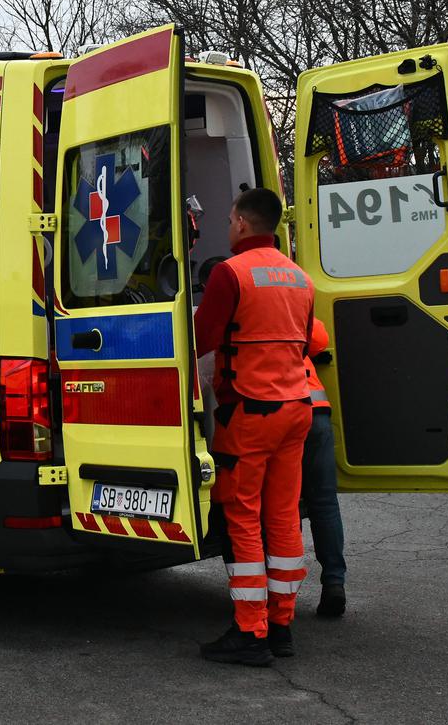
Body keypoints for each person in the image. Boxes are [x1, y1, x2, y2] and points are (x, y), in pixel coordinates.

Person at [193, 187, 315, 666]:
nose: (227, 227)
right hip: (296, 408)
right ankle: (282, 624)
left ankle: (251, 631)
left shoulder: (231, 272)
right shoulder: (300, 278)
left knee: (242, 518)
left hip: (250, 411)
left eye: (229, 220)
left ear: (242, 223)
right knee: (282, 516)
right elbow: (302, 342)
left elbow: (201, 338)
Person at [303, 318, 347, 617]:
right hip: (316, 411)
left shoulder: (242, 300)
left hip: (273, 410)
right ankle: (334, 582)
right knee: (324, 501)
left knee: (282, 506)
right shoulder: (296, 297)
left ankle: (278, 592)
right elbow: (318, 339)